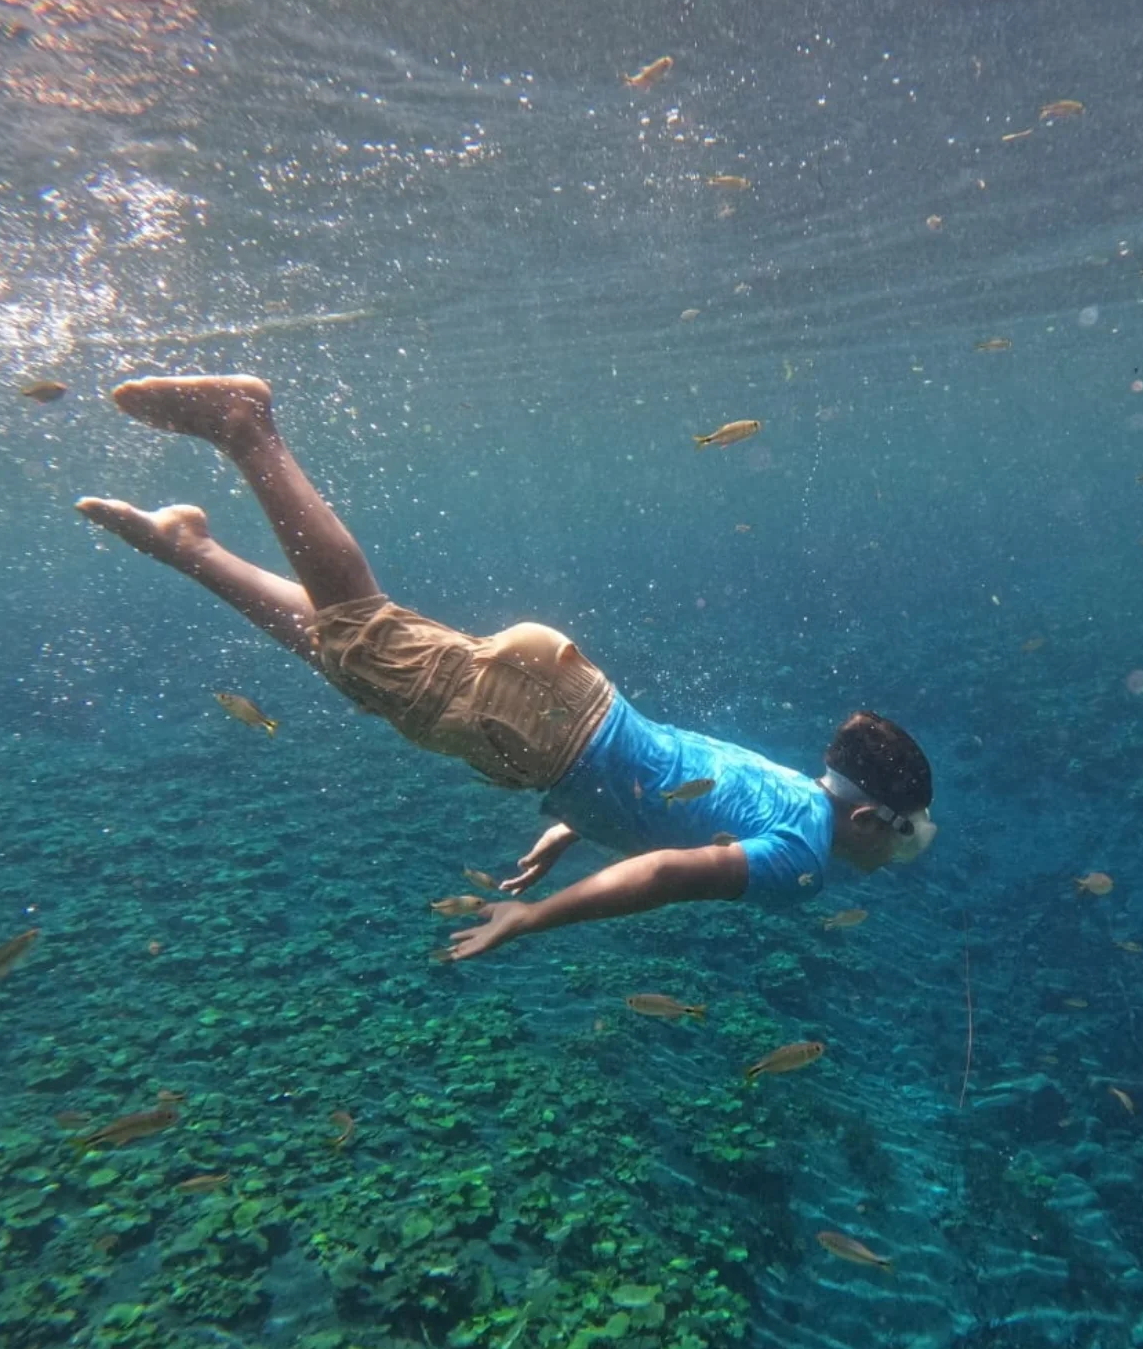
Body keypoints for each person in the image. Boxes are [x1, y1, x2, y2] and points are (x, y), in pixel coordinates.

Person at [77, 374, 936, 961]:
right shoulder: (802, 864)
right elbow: (667, 873)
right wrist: (531, 920)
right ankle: (247, 430)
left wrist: (572, 828)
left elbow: (675, 788)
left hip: (570, 700)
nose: (899, 854)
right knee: (362, 635)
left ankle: (189, 547)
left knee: (362, 658)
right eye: (903, 835)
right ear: (869, 819)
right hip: (540, 732)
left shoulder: (794, 791)